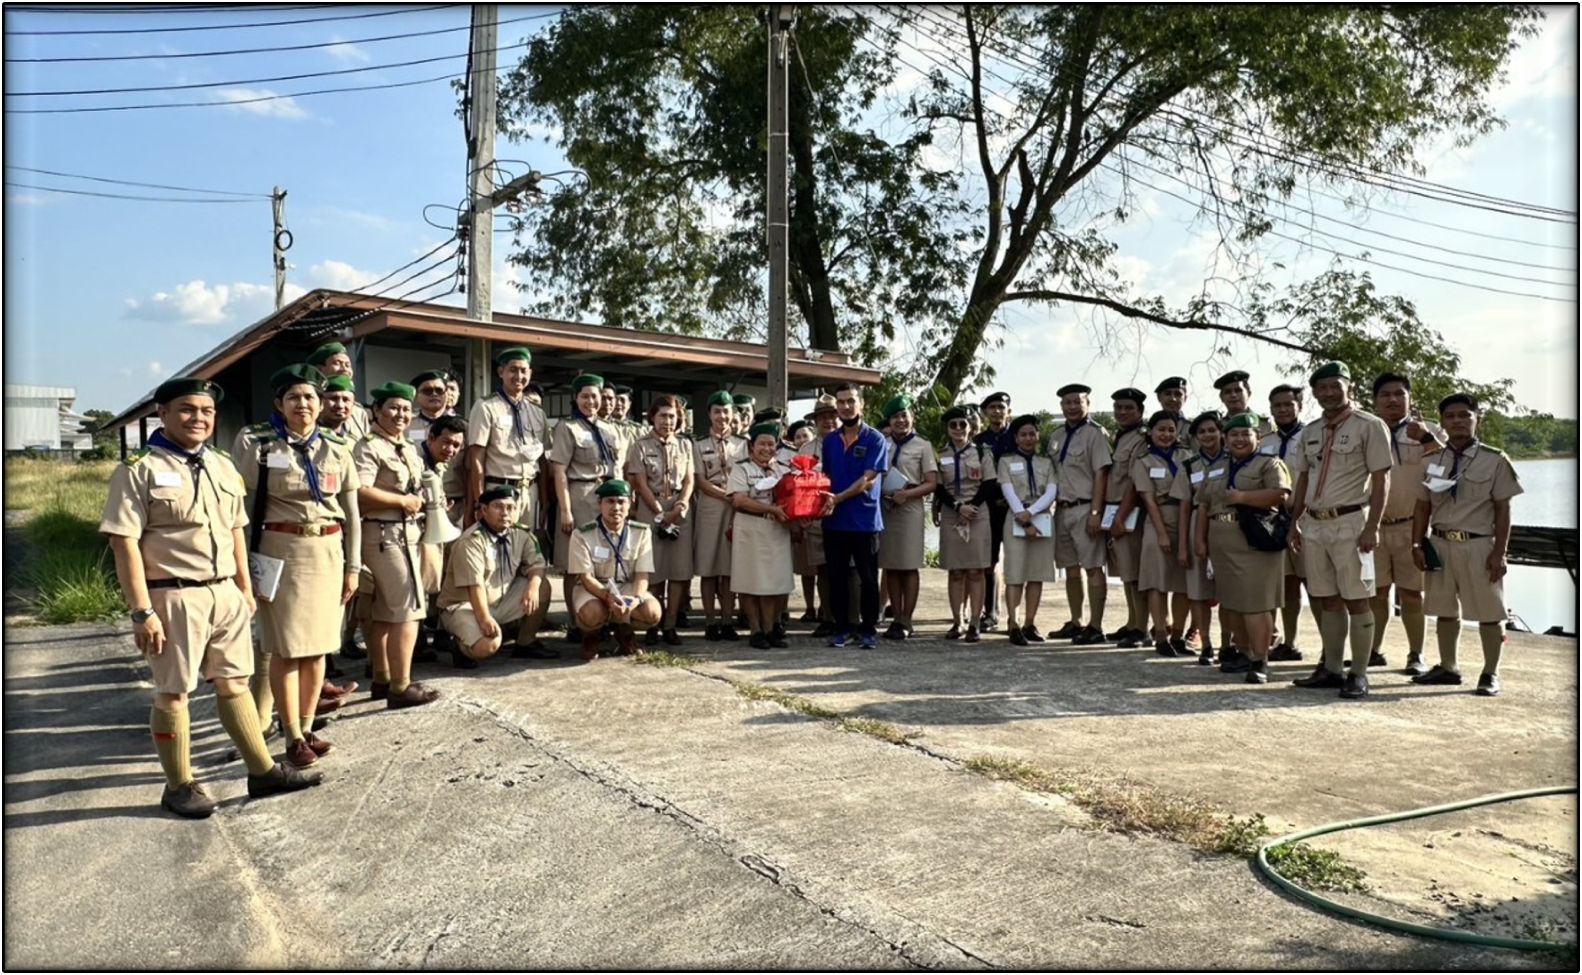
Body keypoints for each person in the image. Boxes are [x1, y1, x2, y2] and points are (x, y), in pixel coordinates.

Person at [103, 377, 321, 818]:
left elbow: (236, 529)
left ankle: (262, 771)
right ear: (161, 414)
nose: (198, 418)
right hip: (173, 596)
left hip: (226, 594)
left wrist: (244, 587)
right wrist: (141, 611)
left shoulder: (222, 465)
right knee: (174, 692)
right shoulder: (138, 469)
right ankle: (179, 784)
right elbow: (123, 542)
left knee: (235, 683)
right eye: (186, 409)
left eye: (205, 411)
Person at [231, 364, 364, 765]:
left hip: (326, 552)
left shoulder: (338, 449)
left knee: (319, 648)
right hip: (280, 552)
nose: (302, 404)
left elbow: (352, 514)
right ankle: (290, 736)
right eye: (293, 397)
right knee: (286, 649)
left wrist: (353, 566)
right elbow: (243, 510)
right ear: (279, 404)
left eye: (309, 397)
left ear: (320, 403)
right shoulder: (261, 446)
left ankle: (307, 728)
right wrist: (246, 568)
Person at [1288, 361, 1393, 700]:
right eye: (1322, 388)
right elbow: (1303, 478)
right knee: (1327, 598)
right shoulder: (1311, 431)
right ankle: (1332, 668)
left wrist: (1373, 527)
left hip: (1351, 522)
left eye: (1336, 386)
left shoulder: (1370, 426)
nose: (1329, 393)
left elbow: (1382, 480)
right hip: (1316, 524)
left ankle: (1359, 673)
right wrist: (1295, 523)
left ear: (1350, 387)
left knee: (1357, 599)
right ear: (1315, 393)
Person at [1409, 394, 1521, 697]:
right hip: (1441, 543)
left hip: (1479, 545)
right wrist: (1417, 544)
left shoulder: (1494, 459)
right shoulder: (1432, 460)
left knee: (1489, 611)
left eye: (1464, 415)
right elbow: (1422, 507)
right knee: (1443, 608)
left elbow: (1503, 509)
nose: (1457, 421)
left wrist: (1500, 552)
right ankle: (1448, 667)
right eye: (1450, 416)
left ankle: (1490, 673)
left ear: (1477, 419)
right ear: (1442, 422)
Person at [354, 381, 441, 710]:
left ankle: (382, 679)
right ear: (376, 410)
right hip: (385, 535)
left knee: (386, 614)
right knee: (406, 611)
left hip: (406, 534)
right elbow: (360, 492)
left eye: (406, 409)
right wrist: (402, 500)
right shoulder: (369, 447)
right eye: (393, 407)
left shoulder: (405, 448)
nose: (401, 414)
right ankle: (401, 686)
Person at [465, 348, 554, 654]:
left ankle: (524, 632)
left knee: (526, 558)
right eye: (513, 370)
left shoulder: (536, 412)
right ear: (500, 372)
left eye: (524, 371)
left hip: (527, 493)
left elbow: (542, 462)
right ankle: (486, 623)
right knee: (491, 560)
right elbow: (475, 458)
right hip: (497, 490)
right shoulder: (486, 408)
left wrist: (544, 503)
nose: (519, 376)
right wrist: (478, 501)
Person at [1194, 411, 1292, 684]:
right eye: (1233, 435)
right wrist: (1199, 540)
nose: (1239, 439)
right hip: (1221, 541)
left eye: (1245, 434)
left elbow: (1281, 494)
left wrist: (1243, 497)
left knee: (1255, 604)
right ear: (1225, 438)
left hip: (1254, 541)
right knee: (1233, 602)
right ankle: (1245, 653)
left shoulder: (1269, 464)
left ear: (1257, 438)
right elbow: (1203, 504)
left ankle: (1260, 660)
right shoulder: (1216, 467)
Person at [1372, 372, 1444, 675]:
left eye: (1399, 394)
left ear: (1409, 398)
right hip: (1372, 526)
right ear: (1375, 401)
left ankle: (1416, 654)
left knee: (1412, 594)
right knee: (1375, 592)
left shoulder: (1430, 431)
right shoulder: (1368, 431)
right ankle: (1372, 650)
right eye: (1385, 395)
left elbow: (1444, 474)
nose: (1392, 400)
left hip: (1411, 526)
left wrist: (1426, 439)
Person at [437, 485, 547, 665]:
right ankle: (459, 645)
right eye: (498, 507)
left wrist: (532, 588)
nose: (505, 513)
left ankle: (526, 642)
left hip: (499, 601)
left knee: (541, 585)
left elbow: (537, 564)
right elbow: (475, 585)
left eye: (510, 508)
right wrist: (484, 619)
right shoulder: (471, 541)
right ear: (484, 510)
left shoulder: (521, 533)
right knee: (487, 646)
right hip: (465, 606)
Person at [819, 383, 890, 649]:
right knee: (836, 577)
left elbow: (868, 480)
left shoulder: (875, 439)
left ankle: (868, 629)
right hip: (834, 520)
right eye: (841, 402)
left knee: (868, 578)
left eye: (850, 401)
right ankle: (842, 628)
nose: (846, 406)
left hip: (865, 521)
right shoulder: (830, 441)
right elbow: (824, 478)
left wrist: (838, 498)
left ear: (862, 403)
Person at [625, 394, 695, 645]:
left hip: (679, 510)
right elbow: (640, 482)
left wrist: (680, 505)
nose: (667, 421)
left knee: (678, 571)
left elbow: (689, 480)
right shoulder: (640, 445)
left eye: (672, 417)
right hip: (650, 507)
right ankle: (651, 622)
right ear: (652, 417)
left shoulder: (685, 445)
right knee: (652, 571)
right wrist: (658, 511)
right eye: (662, 416)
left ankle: (671, 624)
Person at [568, 479, 663, 660]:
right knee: (593, 613)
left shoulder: (641, 532)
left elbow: (642, 575)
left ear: (630, 503)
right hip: (594, 589)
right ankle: (591, 635)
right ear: (600, 504)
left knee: (652, 613)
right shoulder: (582, 534)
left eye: (621, 501)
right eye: (610, 501)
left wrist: (636, 599)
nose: (616, 507)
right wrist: (607, 597)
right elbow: (586, 578)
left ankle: (624, 631)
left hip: (626, 587)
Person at [1047, 383, 1113, 645]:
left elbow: (1101, 474)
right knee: (1071, 569)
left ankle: (1096, 626)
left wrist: (1096, 512)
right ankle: (1077, 621)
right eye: (1067, 403)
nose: (1072, 407)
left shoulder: (1095, 434)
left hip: (1086, 507)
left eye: (1078, 402)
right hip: (1062, 510)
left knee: (1093, 566)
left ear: (1088, 404)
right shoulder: (1056, 435)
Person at [1260, 384, 1316, 662]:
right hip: (1275, 520)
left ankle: (1329, 647)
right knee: (1287, 584)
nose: (1282, 410)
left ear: (1299, 406)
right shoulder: (1265, 442)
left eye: (1288, 404)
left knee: (1315, 584)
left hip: (1306, 517)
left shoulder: (1312, 436)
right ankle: (1289, 642)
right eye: (1277, 406)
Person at [729, 422, 796, 648]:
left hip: (776, 531)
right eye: (762, 444)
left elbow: (793, 500)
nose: (767, 448)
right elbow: (739, 499)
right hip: (750, 529)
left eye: (771, 444)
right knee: (750, 582)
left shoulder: (784, 470)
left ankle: (770, 629)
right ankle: (755, 630)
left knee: (772, 584)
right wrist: (770, 510)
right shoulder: (741, 468)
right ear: (751, 446)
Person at [877, 396, 939, 640]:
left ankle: (907, 619)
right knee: (891, 565)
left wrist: (907, 494)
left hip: (910, 508)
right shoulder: (882, 443)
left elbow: (932, 483)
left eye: (904, 416)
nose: (900, 421)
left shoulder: (922, 446)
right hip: (887, 508)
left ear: (912, 418)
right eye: (895, 417)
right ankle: (895, 618)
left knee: (909, 565)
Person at [934, 405, 996, 642]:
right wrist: (959, 507)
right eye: (953, 425)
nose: (958, 429)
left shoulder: (981, 452)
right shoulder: (940, 454)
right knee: (956, 571)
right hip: (952, 512)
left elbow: (989, 484)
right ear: (947, 429)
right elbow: (939, 487)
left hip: (978, 513)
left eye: (963, 424)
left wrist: (972, 508)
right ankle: (957, 621)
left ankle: (974, 623)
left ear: (970, 427)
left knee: (976, 570)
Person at [1133, 411, 1192, 656]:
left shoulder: (1187, 456)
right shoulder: (1143, 461)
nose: (1166, 435)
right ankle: (1160, 635)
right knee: (1156, 582)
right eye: (1161, 430)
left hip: (1186, 520)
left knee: (1183, 583)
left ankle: (1178, 634)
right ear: (1151, 432)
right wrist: (1162, 534)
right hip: (1158, 521)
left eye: (1170, 430)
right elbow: (1149, 500)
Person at [998, 414, 1058, 644]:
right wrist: (1023, 518)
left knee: (1036, 573)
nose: (1028, 438)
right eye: (1023, 434)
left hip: (1040, 517)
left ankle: (1030, 622)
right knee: (1015, 573)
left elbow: (1051, 491)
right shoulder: (1006, 461)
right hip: (1016, 515)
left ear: (1038, 436)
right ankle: (1013, 622)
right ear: (1016, 437)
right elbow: (1008, 490)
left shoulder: (1046, 462)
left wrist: (1031, 514)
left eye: (1032, 434)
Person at [691, 391, 747, 641]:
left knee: (729, 567)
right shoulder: (698, 444)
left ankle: (727, 619)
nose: (722, 416)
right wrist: (728, 495)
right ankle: (710, 621)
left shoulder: (742, 444)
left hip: (737, 508)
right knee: (708, 566)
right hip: (710, 508)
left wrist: (736, 498)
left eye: (726, 411)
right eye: (717, 411)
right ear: (709, 415)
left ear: (733, 414)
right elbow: (699, 481)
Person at [1105, 388, 1152, 647]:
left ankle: (1142, 627)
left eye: (1128, 408)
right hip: (1116, 509)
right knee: (1126, 571)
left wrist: (1121, 517)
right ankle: (1132, 621)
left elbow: (1136, 482)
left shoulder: (1141, 439)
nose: (1122, 412)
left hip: (1131, 511)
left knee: (1135, 571)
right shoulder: (1120, 437)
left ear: (1140, 412)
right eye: (1118, 408)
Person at [1183, 412, 1229, 667]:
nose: (1207, 435)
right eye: (1202, 432)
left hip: (1227, 525)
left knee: (1229, 591)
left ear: (1220, 432)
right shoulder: (1190, 465)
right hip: (1196, 528)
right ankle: (1207, 645)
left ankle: (1228, 643)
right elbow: (1183, 505)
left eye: (1212, 430)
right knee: (1199, 591)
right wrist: (1183, 545)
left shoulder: (1234, 459)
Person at [795, 395, 844, 636]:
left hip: (844, 511)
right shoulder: (807, 448)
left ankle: (847, 618)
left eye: (833, 416)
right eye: (823, 417)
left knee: (846, 569)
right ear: (815, 421)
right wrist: (801, 514)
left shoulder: (849, 442)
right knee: (822, 569)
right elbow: (797, 483)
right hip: (816, 517)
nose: (829, 421)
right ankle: (827, 616)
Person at [974, 391, 1015, 631]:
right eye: (992, 407)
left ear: (1009, 410)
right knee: (988, 562)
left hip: (1015, 507)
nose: (997, 411)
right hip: (988, 507)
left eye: (1001, 407)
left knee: (1016, 562)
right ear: (986, 412)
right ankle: (990, 613)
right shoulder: (979, 441)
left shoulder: (1019, 436)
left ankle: (1016, 616)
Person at [307, 342, 370, 439]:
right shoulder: (308, 407)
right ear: (319, 369)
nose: (345, 369)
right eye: (337, 363)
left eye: (348, 365)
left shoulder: (358, 412)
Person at [1213, 370, 1275, 438]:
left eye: (1238, 390)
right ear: (1221, 397)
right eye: (1228, 392)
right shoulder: (1216, 427)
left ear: (1248, 393)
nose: (1233, 395)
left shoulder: (1265, 424)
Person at [407, 369, 453, 444]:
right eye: (428, 391)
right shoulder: (406, 424)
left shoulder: (460, 424)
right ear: (417, 396)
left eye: (439, 390)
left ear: (447, 394)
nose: (434, 394)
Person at [1154, 377, 1195, 452]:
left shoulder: (1192, 429)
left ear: (1185, 398)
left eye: (1178, 394)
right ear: (1159, 397)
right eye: (1168, 394)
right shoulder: (1150, 427)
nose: (1173, 399)